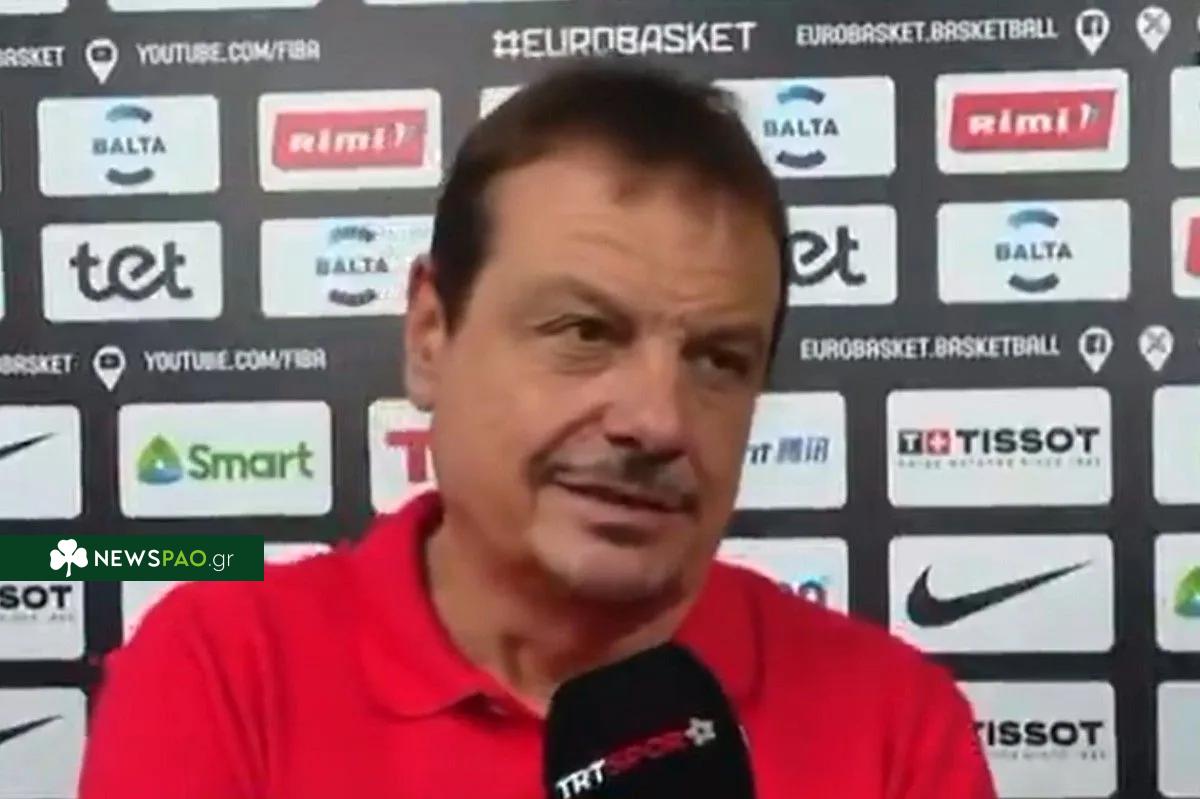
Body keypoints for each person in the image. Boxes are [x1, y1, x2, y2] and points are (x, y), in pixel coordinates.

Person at [77, 60, 997, 798]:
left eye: (719, 360)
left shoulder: (895, 722)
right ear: (430, 334)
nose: (657, 421)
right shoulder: (222, 674)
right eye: (584, 332)